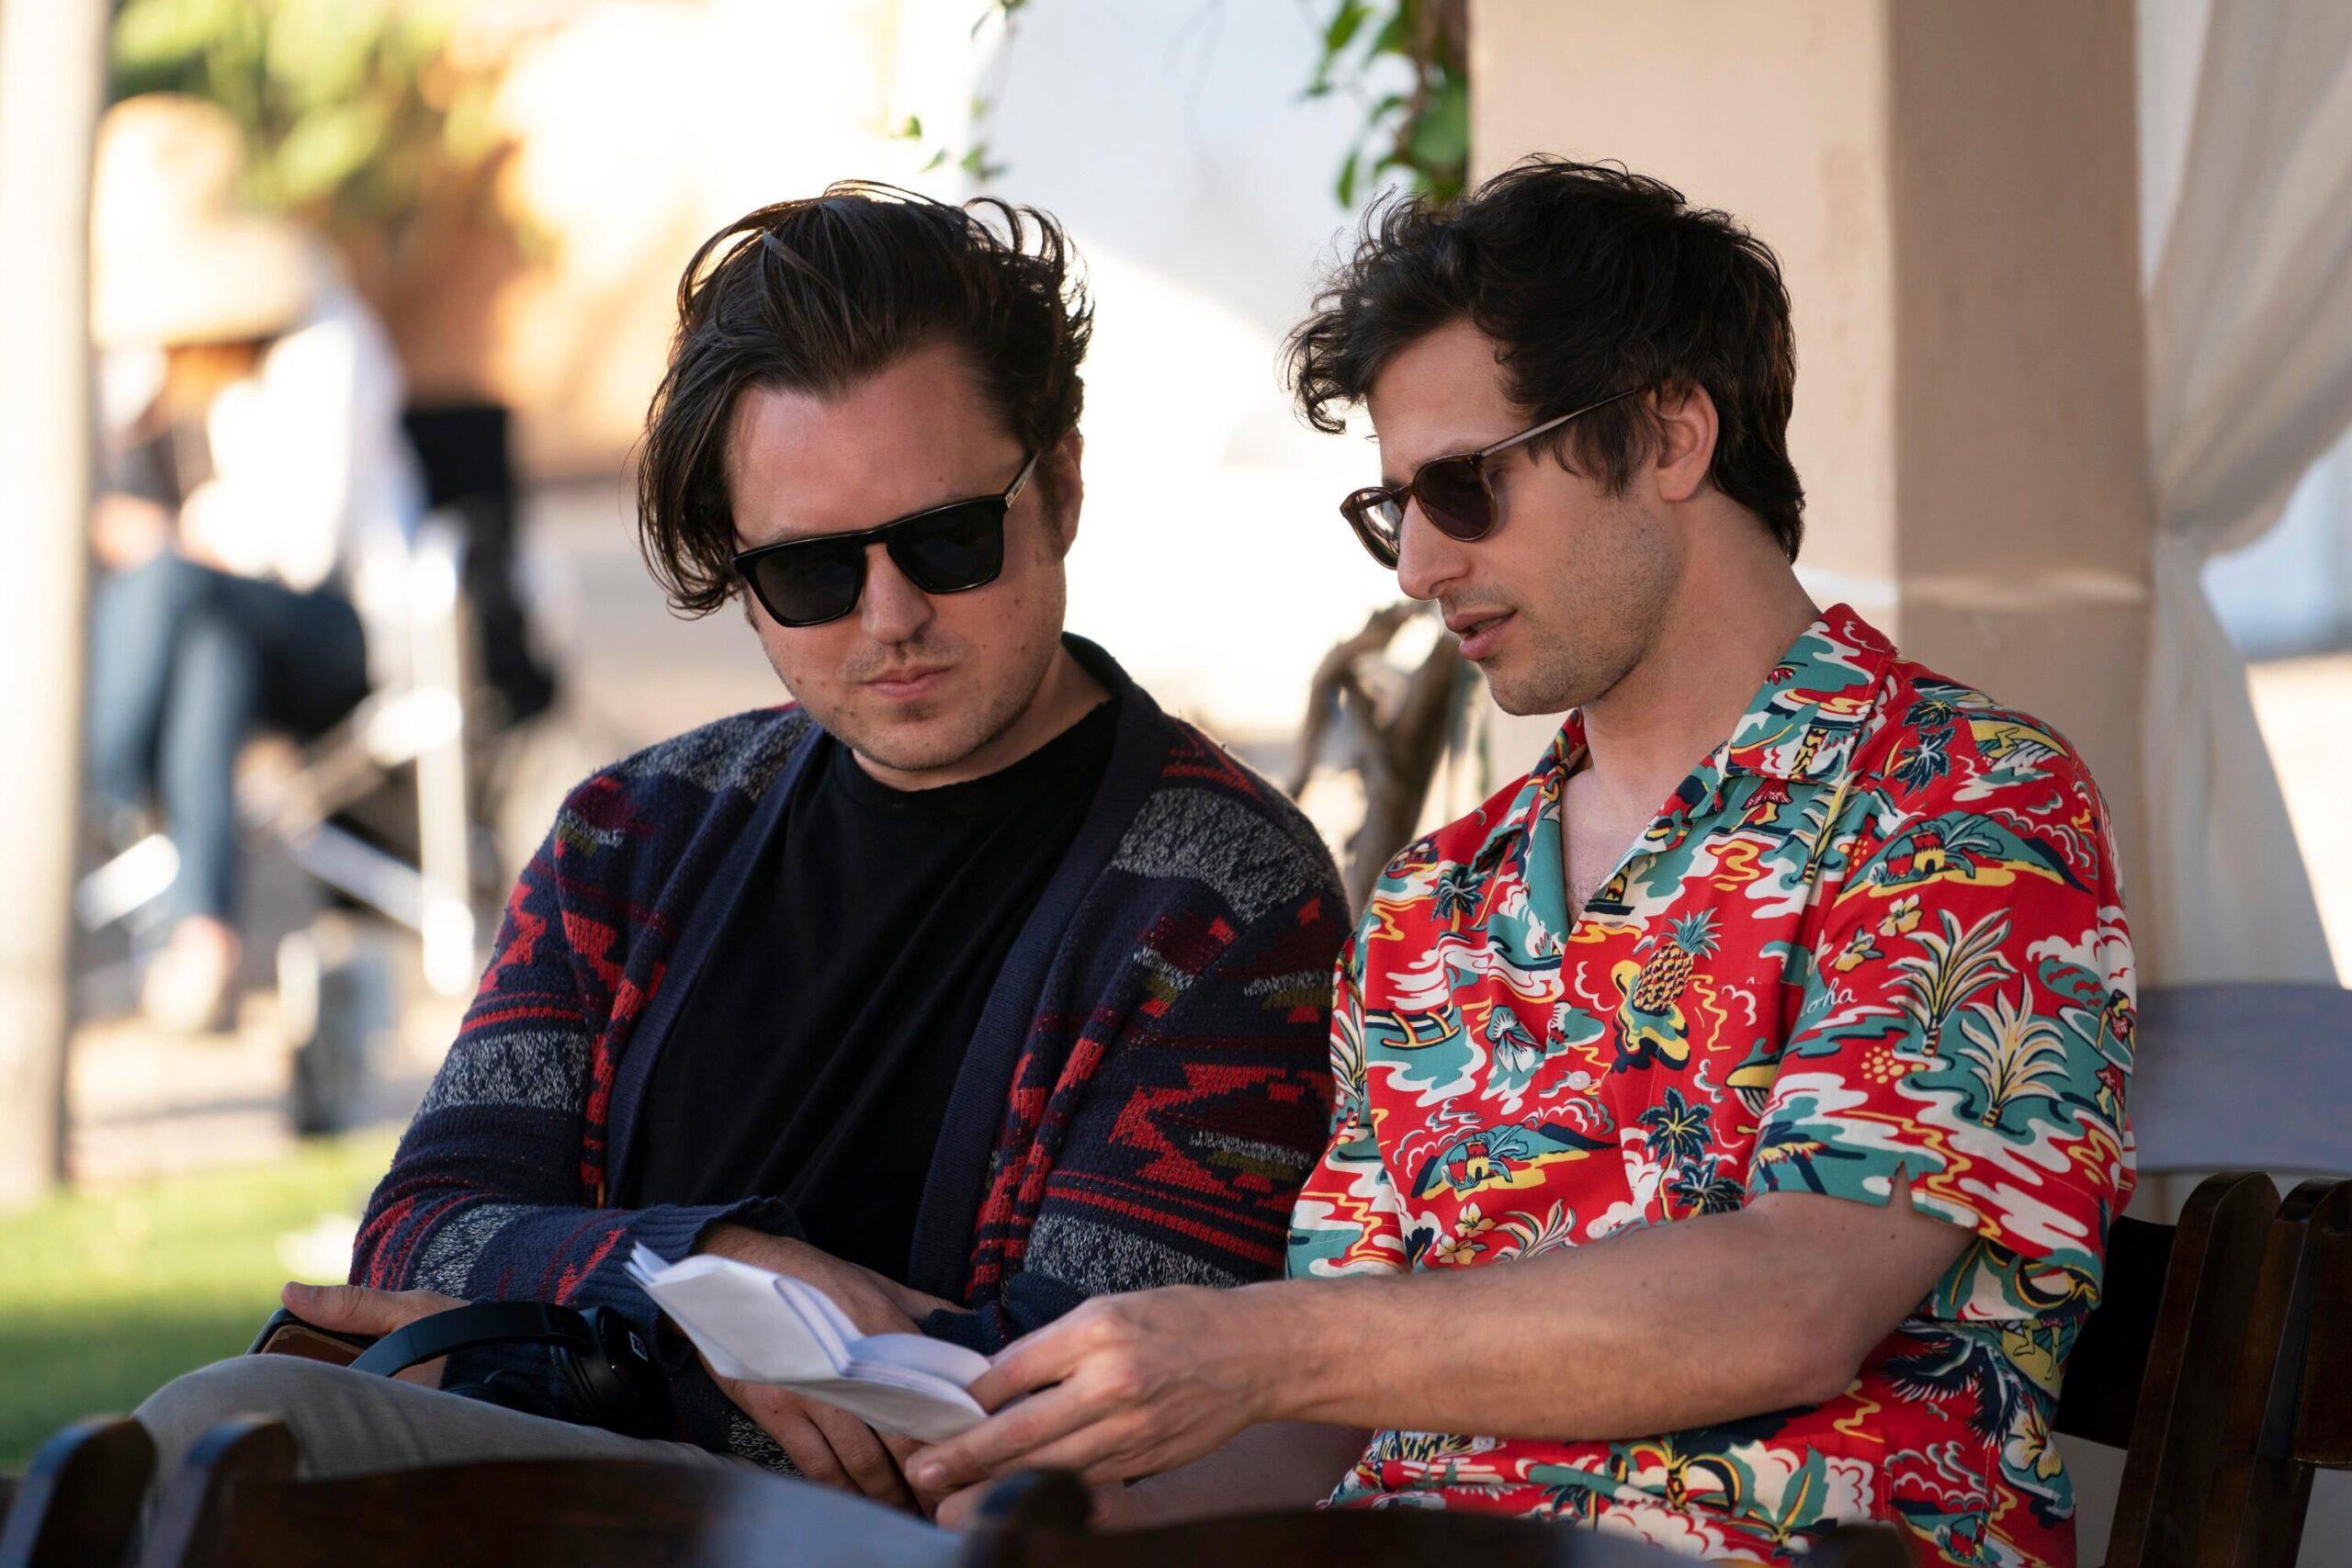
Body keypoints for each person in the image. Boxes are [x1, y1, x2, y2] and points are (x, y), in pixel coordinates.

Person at [907, 160, 2136, 1568]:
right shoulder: (1436, 898)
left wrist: (1259, 1342)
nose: (1418, 564)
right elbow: (1329, 1421)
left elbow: (1799, 1298)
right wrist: (1040, 1480)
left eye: (1464, 485)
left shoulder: (1961, 800)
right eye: (1395, 509)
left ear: (1669, 434)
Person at [134, 183, 1345, 1518]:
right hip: (582, 1506)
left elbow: (1083, 1402)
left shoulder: (1229, 898)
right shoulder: (632, 832)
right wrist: (714, 1271)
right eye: (812, 571)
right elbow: (419, 1230)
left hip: (905, 1541)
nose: (889, 615)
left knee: (220, 1437)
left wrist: (586, 1322)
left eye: (948, 540)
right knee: (206, 1451)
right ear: (739, 570)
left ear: (1058, 486)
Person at [85, 94, 425, 1032]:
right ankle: (206, 937)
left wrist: (179, 539)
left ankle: (99, 789)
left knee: (173, 585)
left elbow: (307, 545)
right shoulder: (149, 360)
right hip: (220, 638)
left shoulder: (323, 336)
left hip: (340, 628)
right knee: (210, 647)